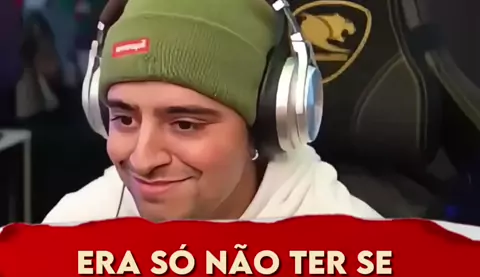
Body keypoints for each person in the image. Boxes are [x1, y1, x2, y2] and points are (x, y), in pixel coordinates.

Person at [42, 0, 381, 225]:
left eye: (184, 124)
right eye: (125, 119)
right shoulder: (72, 230)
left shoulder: (358, 257)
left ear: (262, 127)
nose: (143, 161)